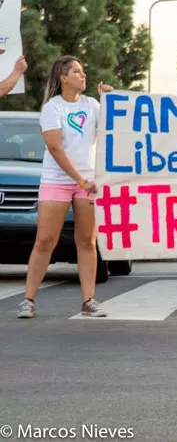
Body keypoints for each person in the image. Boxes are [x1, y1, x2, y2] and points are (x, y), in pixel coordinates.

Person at [18, 55, 113, 319]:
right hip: (57, 181)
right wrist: (79, 180)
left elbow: (113, 130)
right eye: (77, 72)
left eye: (83, 71)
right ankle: (28, 300)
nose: (83, 76)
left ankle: (89, 300)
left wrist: (108, 101)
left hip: (88, 183)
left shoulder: (92, 105)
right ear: (63, 78)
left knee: (86, 240)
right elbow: (55, 148)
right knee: (45, 241)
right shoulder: (53, 108)